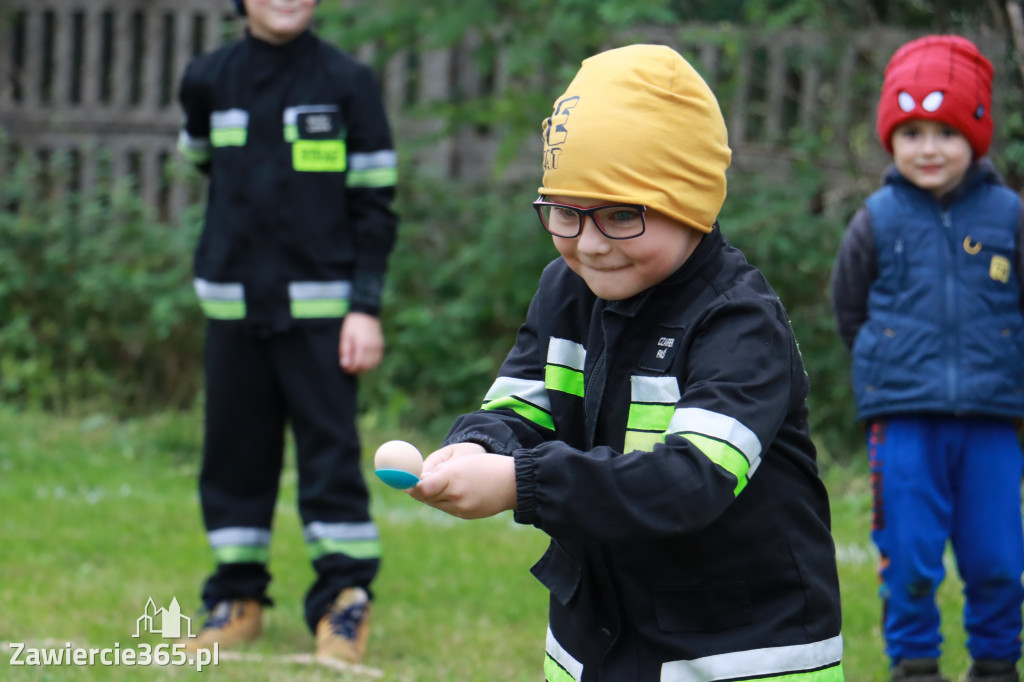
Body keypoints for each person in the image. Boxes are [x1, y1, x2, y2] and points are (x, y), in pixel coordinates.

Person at [408, 44, 845, 681]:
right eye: (565, 212)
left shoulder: (739, 321)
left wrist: (520, 483)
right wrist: (479, 448)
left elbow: (690, 482)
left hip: (739, 647)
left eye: (619, 215)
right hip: (598, 639)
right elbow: (519, 407)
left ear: (690, 204)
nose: (588, 244)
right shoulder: (563, 290)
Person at [174, 0, 398, 663]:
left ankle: (342, 604)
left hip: (325, 318)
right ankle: (235, 599)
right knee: (234, 457)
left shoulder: (348, 83)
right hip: (234, 308)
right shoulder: (207, 80)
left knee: (330, 461)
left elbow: (375, 206)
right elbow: (207, 165)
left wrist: (364, 306)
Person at [831, 34, 1024, 682]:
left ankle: (997, 663)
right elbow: (849, 309)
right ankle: (915, 666)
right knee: (909, 555)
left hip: (993, 421)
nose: (929, 147)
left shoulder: (1009, 215)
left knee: (997, 554)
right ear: (891, 138)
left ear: (976, 132)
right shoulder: (876, 218)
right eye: (911, 131)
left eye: (944, 129)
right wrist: (889, 364)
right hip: (904, 420)